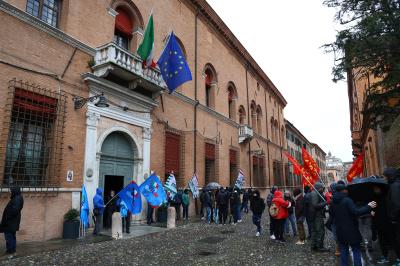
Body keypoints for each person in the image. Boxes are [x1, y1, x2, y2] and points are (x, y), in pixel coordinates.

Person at [331, 183, 376, 266]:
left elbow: (332, 215)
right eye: (346, 190)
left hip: (340, 230)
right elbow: (356, 212)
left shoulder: (333, 201)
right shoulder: (347, 200)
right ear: (343, 190)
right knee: (356, 249)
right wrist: (368, 207)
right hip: (351, 229)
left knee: (344, 250)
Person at [0, 187, 24, 255]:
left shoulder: (16, 199)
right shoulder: (18, 197)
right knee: (12, 236)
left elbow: (14, 210)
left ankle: (10, 251)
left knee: (9, 237)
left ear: (14, 191)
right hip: (12, 222)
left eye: (11, 191)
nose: (10, 192)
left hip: (10, 222)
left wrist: (7, 218)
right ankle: (12, 251)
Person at [385, 167, 400, 266]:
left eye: (385, 177)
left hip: (397, 219)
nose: (385, 179)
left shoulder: (394, 186)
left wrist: (393, 217)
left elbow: (396, 204)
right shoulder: (395, 184)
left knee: (398, 239)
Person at [310, 182, 328, 252]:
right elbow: (315, 205)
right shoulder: (315, 193)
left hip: (316, 215)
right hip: (317, 215)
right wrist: (326, 202)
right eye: (321, 188)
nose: (322, 189)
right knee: (320, 231)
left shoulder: (317, 193)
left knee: (315, 231)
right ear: (318, 188)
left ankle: (314, 245)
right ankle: (319, 246)